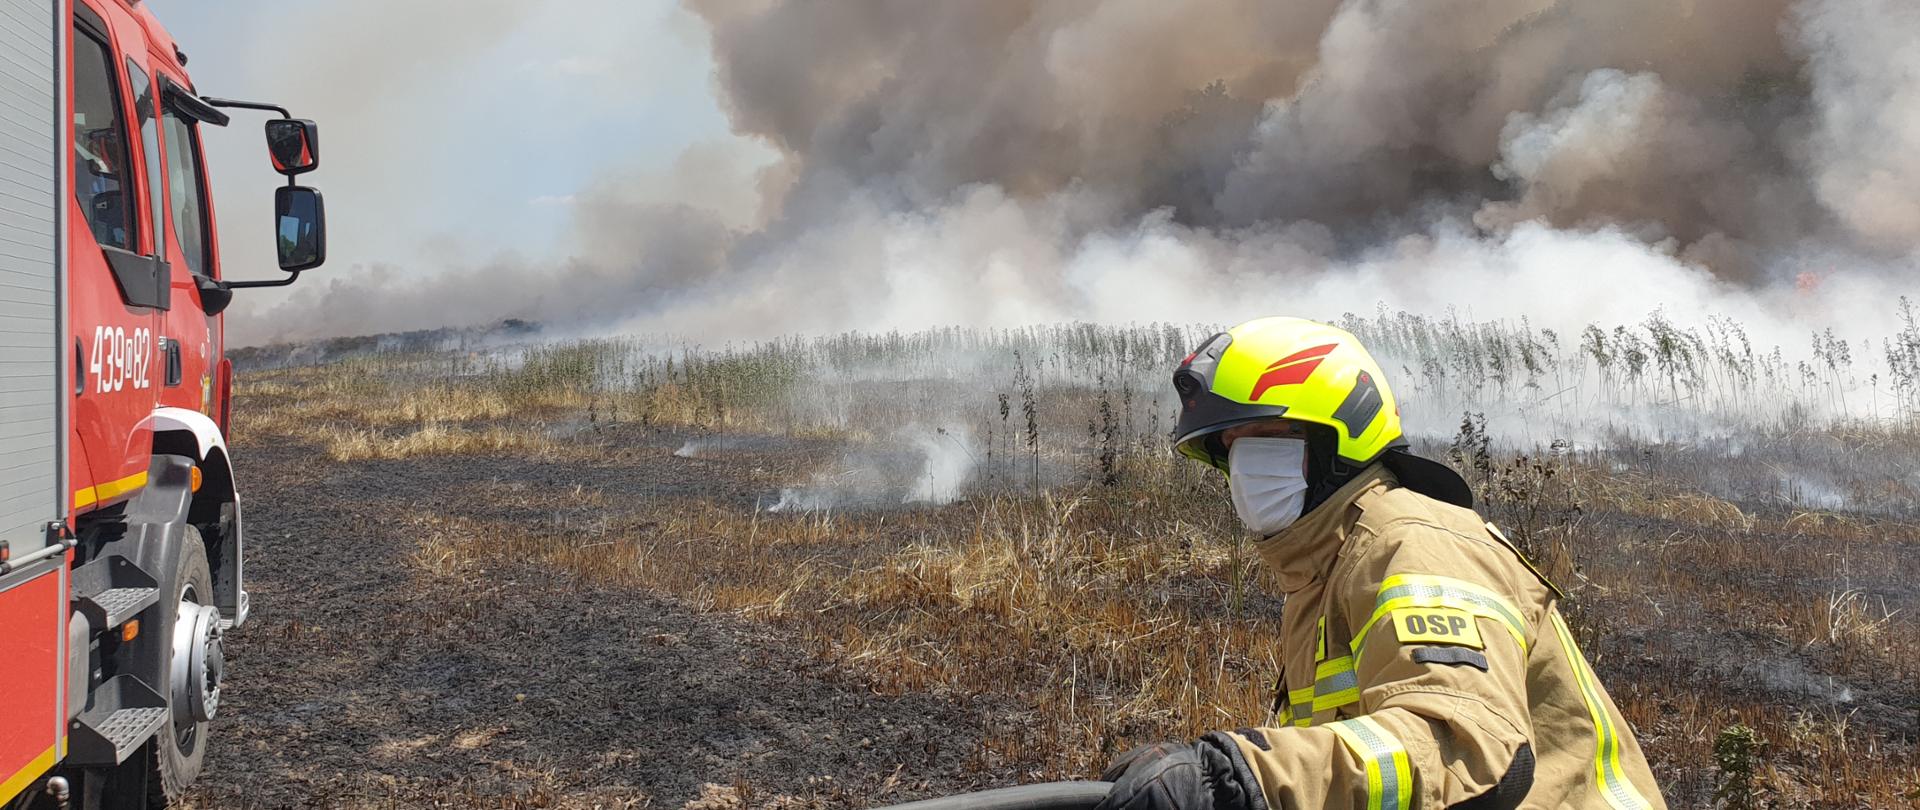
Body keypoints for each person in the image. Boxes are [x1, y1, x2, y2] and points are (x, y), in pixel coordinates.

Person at [1096, 317, 1665, 810]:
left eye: (1268, 437)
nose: (1246, 466)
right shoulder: (1323, 568)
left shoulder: (1412, 543)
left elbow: (1467, 751)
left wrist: (1240, 779)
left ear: (1337, 438)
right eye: (1231, 446)